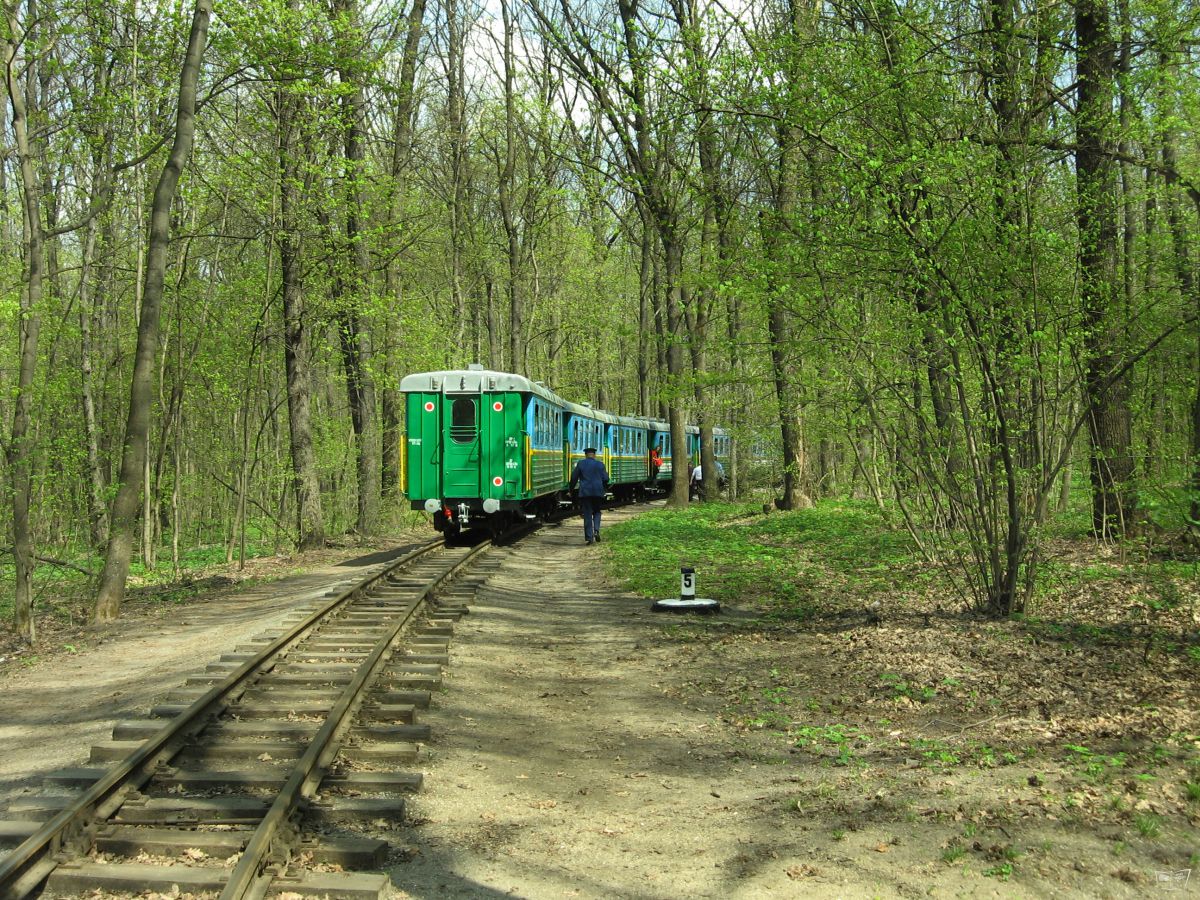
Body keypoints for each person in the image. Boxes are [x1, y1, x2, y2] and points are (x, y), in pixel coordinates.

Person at [570, 447, 610, 544]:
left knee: (587, 514)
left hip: (585, 493)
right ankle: (596, 530)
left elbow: (574, 478)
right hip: (598, 492)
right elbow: (606, 478)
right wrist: (603, 488)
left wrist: (570, 489)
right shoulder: (600, 464)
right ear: (594, 455)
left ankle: (589, 538)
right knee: (597, 511)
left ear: (585, 455)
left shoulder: (581, 463)